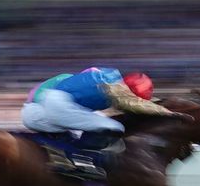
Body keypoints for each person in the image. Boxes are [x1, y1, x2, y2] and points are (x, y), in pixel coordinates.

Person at [21, 67, 191, 179]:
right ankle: (82, 162)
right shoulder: (116, 88)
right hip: (54, 105)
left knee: (96, 122)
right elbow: (133, 104)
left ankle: (68, 156)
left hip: (43, 105)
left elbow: (136, 101)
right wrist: (169, 113)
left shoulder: (108, 77)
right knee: (114, 127)